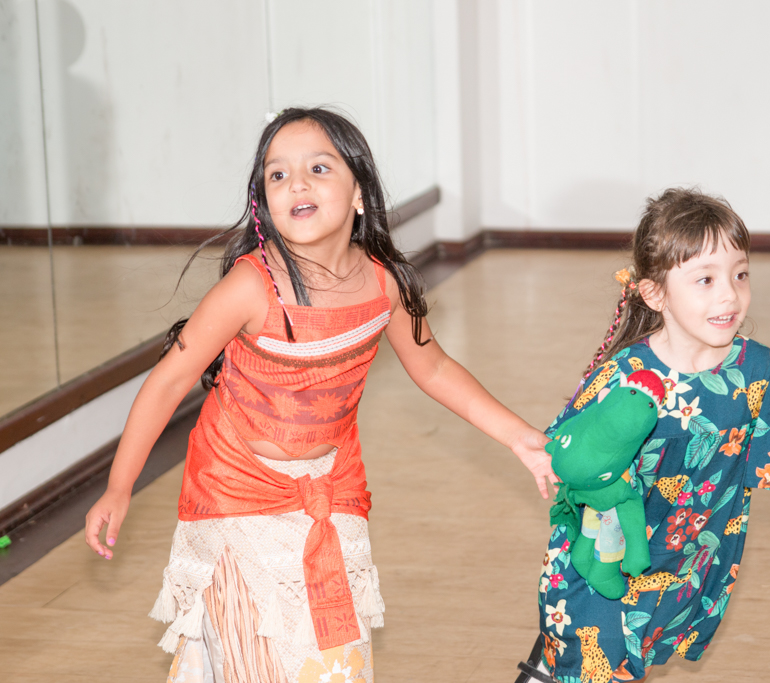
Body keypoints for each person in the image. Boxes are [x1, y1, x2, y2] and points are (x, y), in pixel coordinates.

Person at [83, 107, 555, 683]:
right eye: (277, 175)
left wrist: (521, 438)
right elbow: (169, 381)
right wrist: (118, 486)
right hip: (235, 493)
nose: (296, 183)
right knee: (252, 656)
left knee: (334, 659)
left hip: (329, 489)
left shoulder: (384, 282)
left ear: (360, 192)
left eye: (317, 168)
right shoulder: (250, 288)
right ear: (264, 205)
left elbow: (432, 368)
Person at [516, 188, 770, 683]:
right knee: (600, 665)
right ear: (655, 293)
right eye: (705, 280)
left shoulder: (757, 370)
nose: (729, 294)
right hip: (602, 560)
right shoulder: (628, 375)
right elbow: (571, 450)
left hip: (686, 565)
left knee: (629, 665)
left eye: (740, 274)